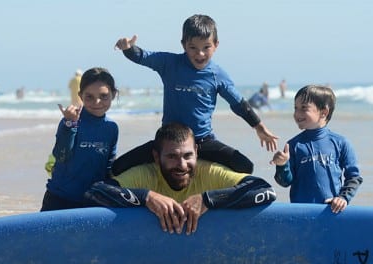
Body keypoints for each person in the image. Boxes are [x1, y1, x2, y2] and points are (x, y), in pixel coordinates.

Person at [113, 14, 278, 175]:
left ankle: (210, 198)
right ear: (184, 45)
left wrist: (259, 127)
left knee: (244, 166)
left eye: (206, 47)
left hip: (202, 141)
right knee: (118, 167)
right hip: (168, 141)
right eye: (193, 48)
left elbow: (238, 104)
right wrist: (128, 48)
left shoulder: (217, 75)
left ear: (216, 45)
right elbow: (143, 56)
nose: (200, 54)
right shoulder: (170, 64)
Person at [85, 123, 277, 235]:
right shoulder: (146, 173)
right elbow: (96, 192)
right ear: (155, 157)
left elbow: (264, 190)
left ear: (196, 153)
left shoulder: (209, 171)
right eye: (171, 157)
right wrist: (147, 197)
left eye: (187, 156)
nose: (182, 165)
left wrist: (208, 200)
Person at [270, 85, 363, 213]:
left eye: (304, 108)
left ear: (324, 112)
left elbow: (354, 177)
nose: (297, 113)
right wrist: (282, 165)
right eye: (295, 108)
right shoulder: (293, 145)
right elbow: (285, 182)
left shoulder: (340, 143)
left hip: (330, 211)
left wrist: (343, 198)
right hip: (301, 213)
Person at [41, 67, 119, 211]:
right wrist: (70, 125)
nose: (97, 101)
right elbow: (61, 155)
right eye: (89, 96)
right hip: (59, 199)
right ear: (80, 96)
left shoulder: (112, 128)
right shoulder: (70, 122)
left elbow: (108, 167)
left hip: (92, 202)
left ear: (113, 95)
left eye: (104, 96)